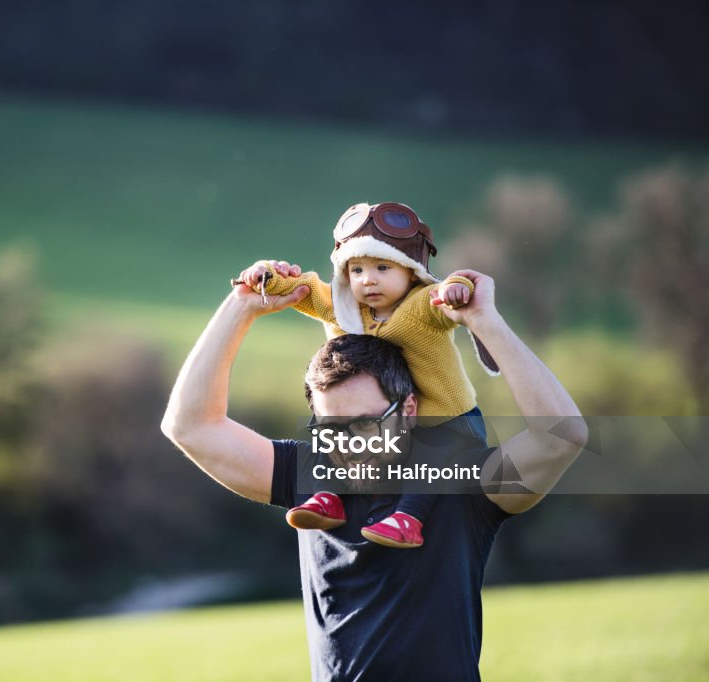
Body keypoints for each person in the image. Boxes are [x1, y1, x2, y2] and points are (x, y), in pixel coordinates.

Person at [160, 267, 586, 681]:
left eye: (365, 423)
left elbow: (561, 436)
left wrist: (483, 320)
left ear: (409, 409)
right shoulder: (310, 476)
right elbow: (190, 426)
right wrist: (242, 306)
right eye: (331, 428)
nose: (348, 443)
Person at [235, 202, 498, 549]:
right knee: (334, 432)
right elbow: (300, 286)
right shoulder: (341, 307)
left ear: (411, 271)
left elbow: (449, 289)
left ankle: (409, 518)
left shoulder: (421, 306)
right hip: (386, 419)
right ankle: (328, 498)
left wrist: (458, 287)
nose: (368, 279)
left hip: (448, 422)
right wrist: (265, 273)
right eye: (356, 270)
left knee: (428, 459)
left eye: (382, 267)